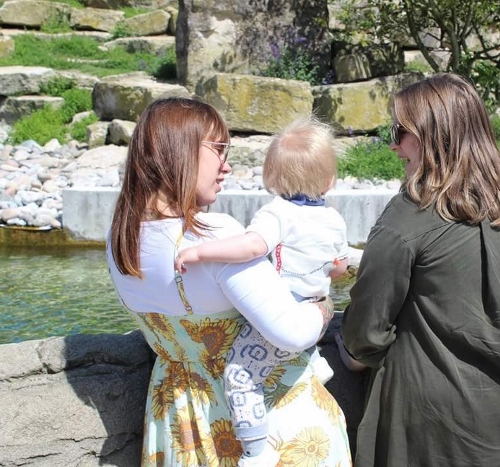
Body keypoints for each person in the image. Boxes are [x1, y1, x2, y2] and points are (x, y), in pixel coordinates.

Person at [106, 97, 351, 467]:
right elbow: (294, 333)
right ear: (179, 150)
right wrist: (324, 306)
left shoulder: (119, 241)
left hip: (180, 423)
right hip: (273, 426)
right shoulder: (216, 235)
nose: (226, 166)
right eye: (218, 149)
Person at [338, 73, 500, 466]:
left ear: (431, 136)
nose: (393, 145)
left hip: (442, 433)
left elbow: (366, 336)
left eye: (399, 132)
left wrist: (348, 347)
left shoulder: (408, 216)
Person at [173, 116, 349, 462]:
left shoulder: (277, 212)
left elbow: (253, 246)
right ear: (329, 181)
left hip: (287, 311)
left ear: (271, 176)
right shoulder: (334, 218)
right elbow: (339, 267)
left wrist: (202, 252)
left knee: (240, 375)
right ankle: (313, 360)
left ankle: (254, 451)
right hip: (316, 306)